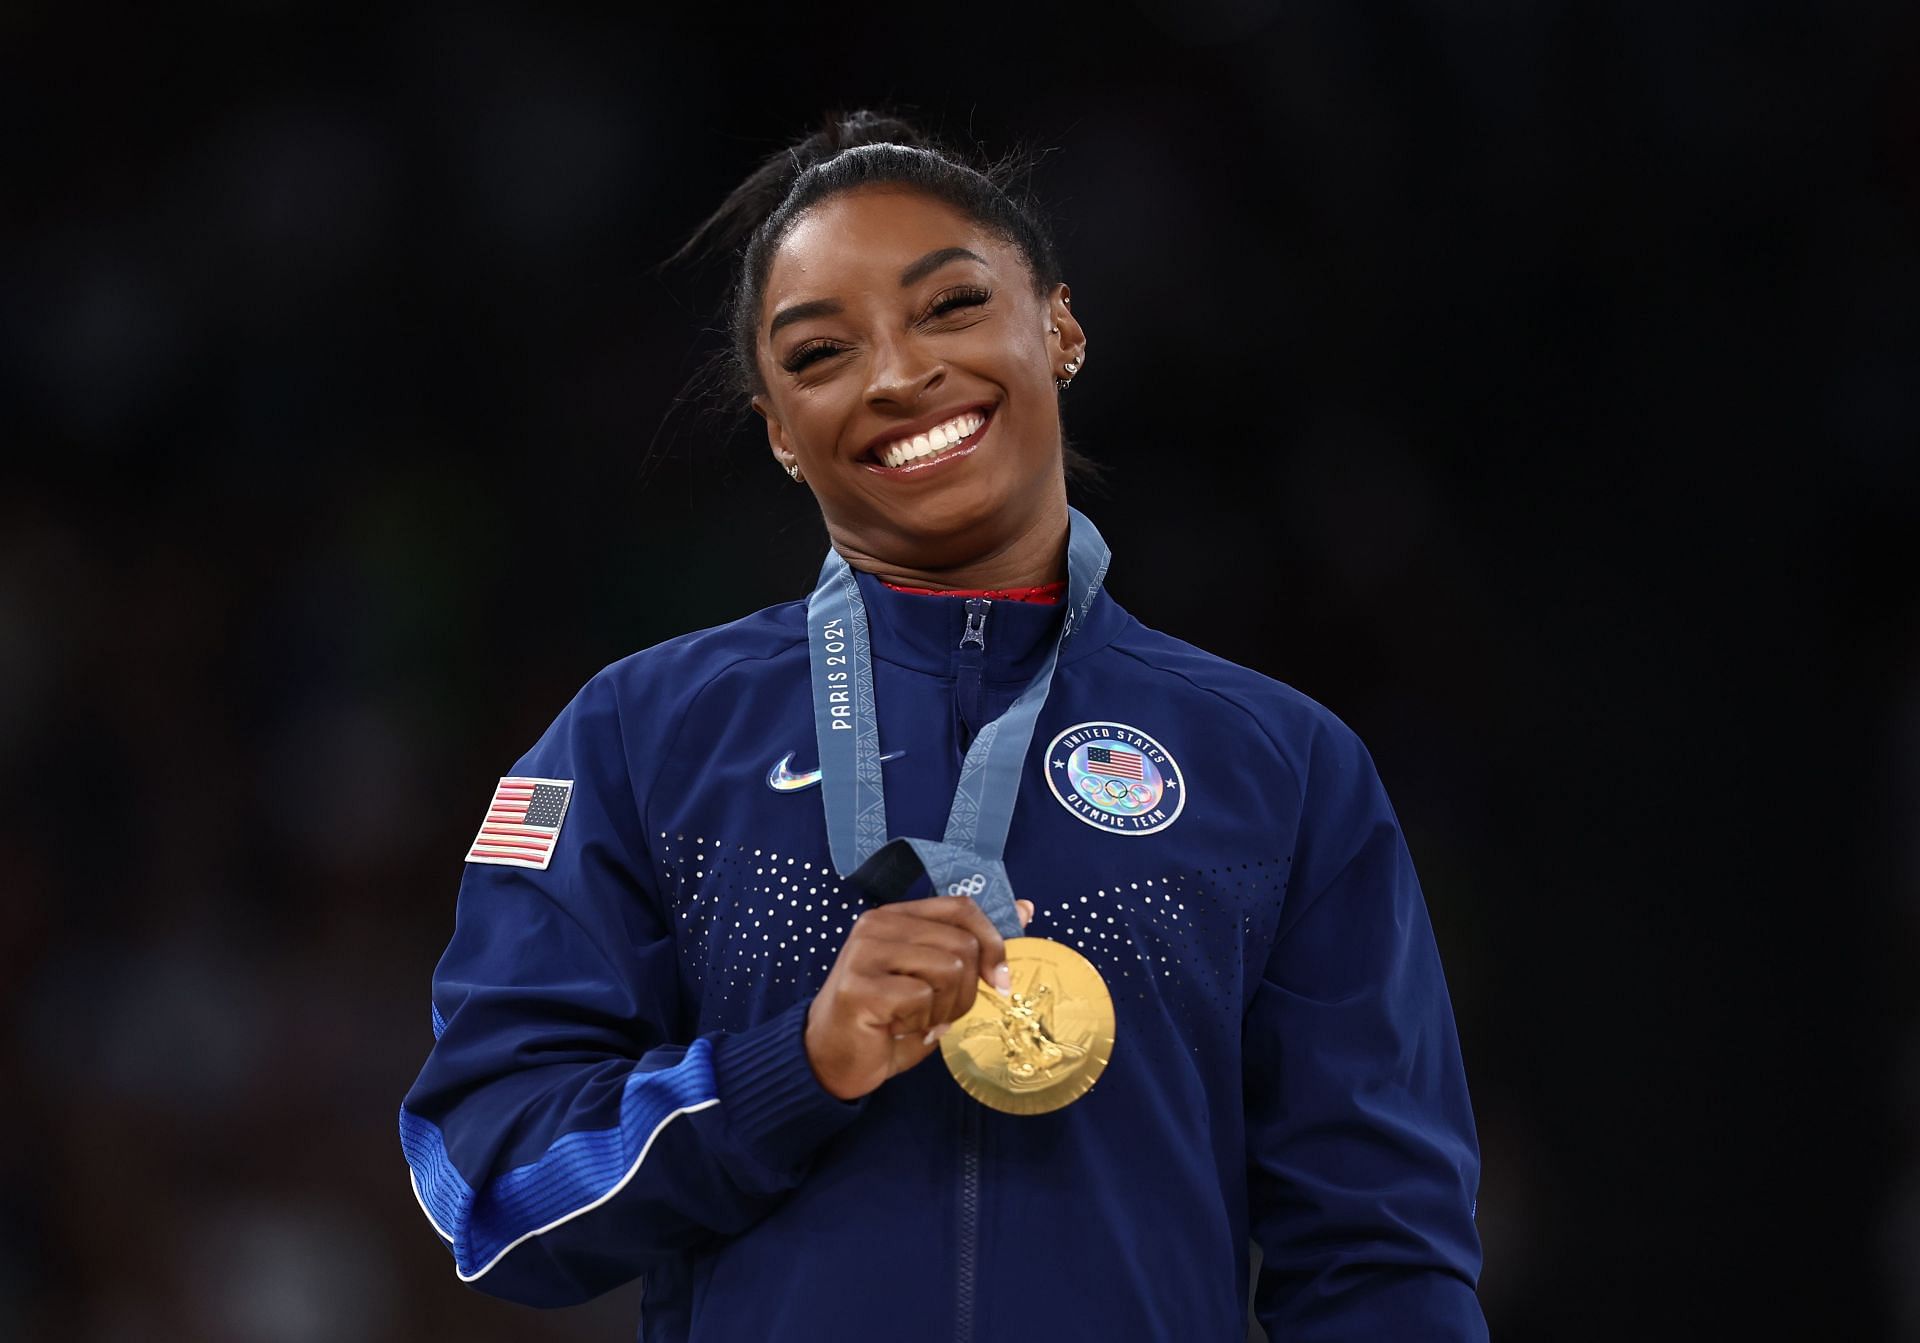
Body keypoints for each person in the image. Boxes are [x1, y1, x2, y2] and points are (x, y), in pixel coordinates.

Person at [399, 111, 1486, 1341]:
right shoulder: (641, 739)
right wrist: (791, 1068)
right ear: (778, 434)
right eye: (818, 355)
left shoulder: (1281, 765)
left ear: (1061, 328)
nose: (897, 374)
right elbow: (485, 1177)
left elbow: (1381, 1258)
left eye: (951, 305)